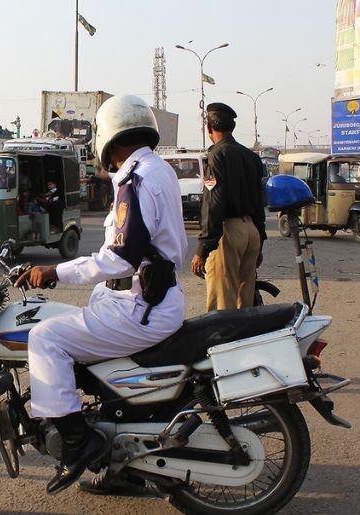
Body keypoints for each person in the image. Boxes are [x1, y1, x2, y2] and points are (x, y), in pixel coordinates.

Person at [15, 95, 187, 495]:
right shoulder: (156, 168)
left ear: (108, 138)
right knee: (88, 364)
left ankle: (75, 442)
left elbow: (121, 257)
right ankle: (123, 467)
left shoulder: (135, 177)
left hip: (141, 308)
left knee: (45, 336)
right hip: (143, 301)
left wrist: (54, 271)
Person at [191, 102, 267, 311]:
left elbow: (214, 201)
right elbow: (260, 203)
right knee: (246, 306)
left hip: (229, 233)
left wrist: (203, 247)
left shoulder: (216, 155)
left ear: (209, 129)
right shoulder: (251, 157)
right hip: (251, 231)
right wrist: (259, 241)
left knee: (222, 307)